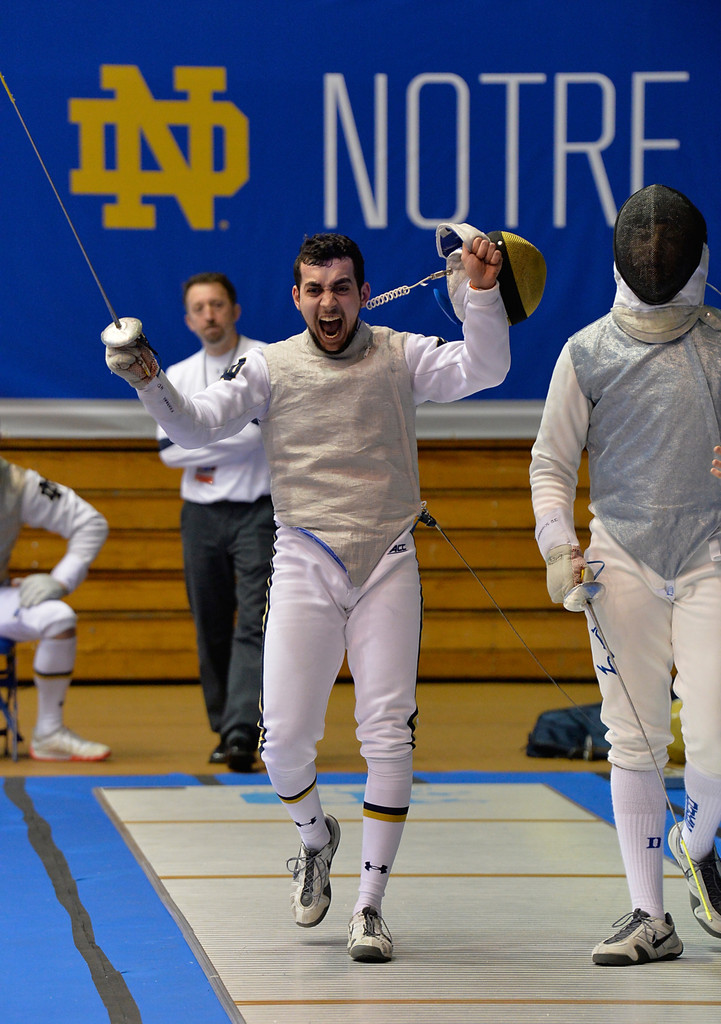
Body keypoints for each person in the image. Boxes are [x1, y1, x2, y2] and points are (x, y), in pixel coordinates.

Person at [102, 229, 511, 962]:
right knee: (282, 742)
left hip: (387, 558)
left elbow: (484, 366)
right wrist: (148, 379)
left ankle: (369, 905)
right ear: (297, 298)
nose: (329, 302)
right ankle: (315, 838)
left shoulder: (400, 353)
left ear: (361, 292)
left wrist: (479, 295)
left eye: (342, 287)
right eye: (315, 289)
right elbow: (192, 429)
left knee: (387, 734)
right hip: (305, 560)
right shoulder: (266, 369)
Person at [529, 184, 721, 966]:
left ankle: (696, 839)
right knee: (632, 738)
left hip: (711, 552)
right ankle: (649, 915)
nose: (654, 259)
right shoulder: (585, 351)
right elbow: (549, 460)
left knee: (712, 731)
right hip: (620, 558)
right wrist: (554, 548)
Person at [157, 272, 274, 772]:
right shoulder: (177, 377)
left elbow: (255, 437)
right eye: (200, 307)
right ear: (189, 319)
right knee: (211, 623)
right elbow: (166, 452)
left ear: (234, 310)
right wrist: (203, 442)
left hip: (260, 511)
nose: (210, 314)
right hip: (201, 516)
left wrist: (196, 441)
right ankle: (223, 725)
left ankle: (242, 731)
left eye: (218, 304)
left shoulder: (266, 360)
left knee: (254, 620)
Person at [0, 453, 110, 760]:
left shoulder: (16, 483)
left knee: (58, 617)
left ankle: (49, 732)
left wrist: (61, 580)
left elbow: (89, 522)